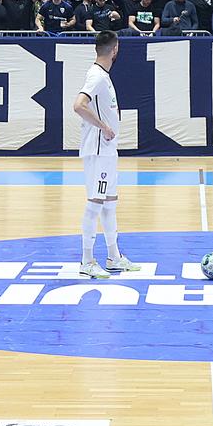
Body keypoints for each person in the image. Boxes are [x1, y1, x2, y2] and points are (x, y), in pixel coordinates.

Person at [73, 31, 136, 279]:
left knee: (110, 202)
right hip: (98, 149)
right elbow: (78, 105)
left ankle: (113, 257)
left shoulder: (104, 76)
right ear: (115, 49)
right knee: (95, 203)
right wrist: (104, 127)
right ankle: (87, 260)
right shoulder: (96, 76)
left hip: (108, 150)